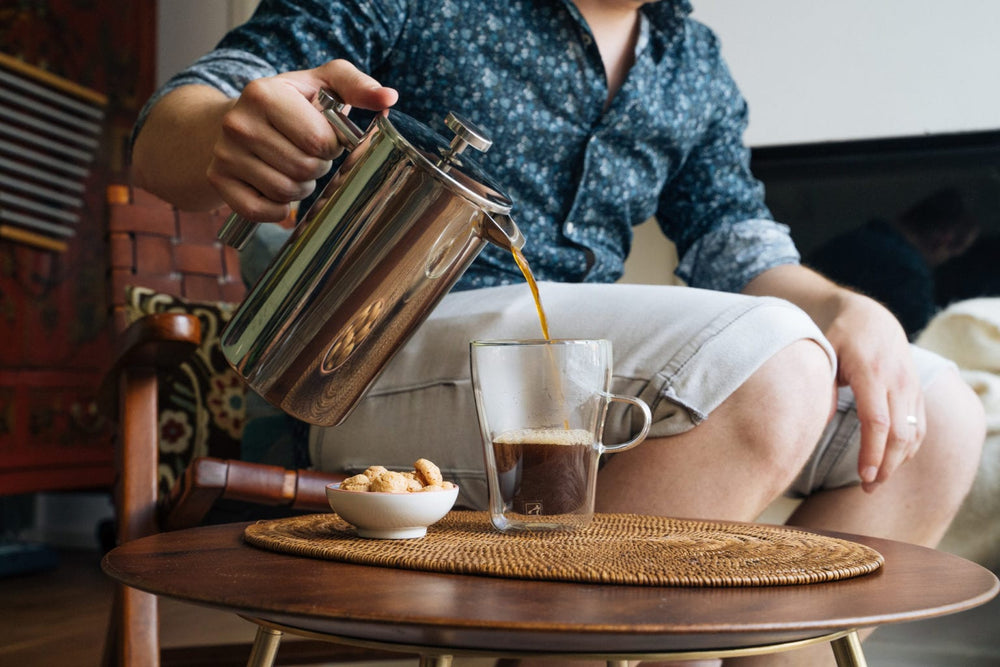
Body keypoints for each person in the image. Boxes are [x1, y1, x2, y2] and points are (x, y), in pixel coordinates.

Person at [131, 2, 985, 665]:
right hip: (369, 353)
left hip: (554, 382)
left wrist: (846, 308)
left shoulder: (691, 61)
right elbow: (173, 121)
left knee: (937, 410)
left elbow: (737, 240)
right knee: (774, 369)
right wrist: (219, 133)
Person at [806, 187, 980, 338]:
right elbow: (921, 344)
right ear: (945, 240)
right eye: (956, 251)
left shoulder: (853, 241)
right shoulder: (910, 275)